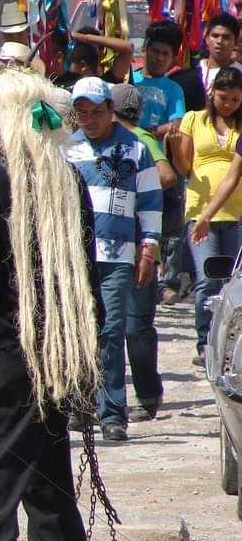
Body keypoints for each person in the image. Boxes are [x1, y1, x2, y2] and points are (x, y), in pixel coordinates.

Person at [0, 68, 100, 541]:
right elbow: (86, 267)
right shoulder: (70, 178)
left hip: (10, 340)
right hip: (63, 335)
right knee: (45, 447)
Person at [67, 77, 162, 441]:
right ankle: (80, 404)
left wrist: (148, 250)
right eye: (82, 113)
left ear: (110, 110)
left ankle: (112, 413)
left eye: (96, 112)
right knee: (79, 332)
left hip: (118, 256)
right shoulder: (66, 149)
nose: (89, 119)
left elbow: (151, 202)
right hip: (76, 258)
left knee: (110, 332)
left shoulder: (136, 149)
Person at [171, 66, 242, 366]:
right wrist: (175, 148)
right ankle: (205, 341)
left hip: (236, 214)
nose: (227, 104)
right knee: (207, 279)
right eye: (223, 98)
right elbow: (185, 167)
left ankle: (230, 342)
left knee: (232, 283)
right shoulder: (194, 120)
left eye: (235, 99)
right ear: (212, 94)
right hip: (201, 212)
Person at [112, 84, 174, 420]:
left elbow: (166, 175)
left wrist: (132, 193)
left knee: (136, 325)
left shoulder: (140, 141)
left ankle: (148, 395)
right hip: (114, 245)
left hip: (138, 243)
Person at [172, 13, 242, 110]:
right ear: (206, 38)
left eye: (226, 37)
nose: (219, 41)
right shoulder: (192, 73)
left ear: (235, 42)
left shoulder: (240, 73)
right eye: (215, 36)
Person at [133, 21, 186, 137]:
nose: (159, 58)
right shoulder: (129, 79)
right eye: (155, 51)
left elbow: (175, 125)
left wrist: (143, 135)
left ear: (173, 58)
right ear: (144, 49)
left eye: (165, 53)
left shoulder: (174, 89)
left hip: (154, 152)